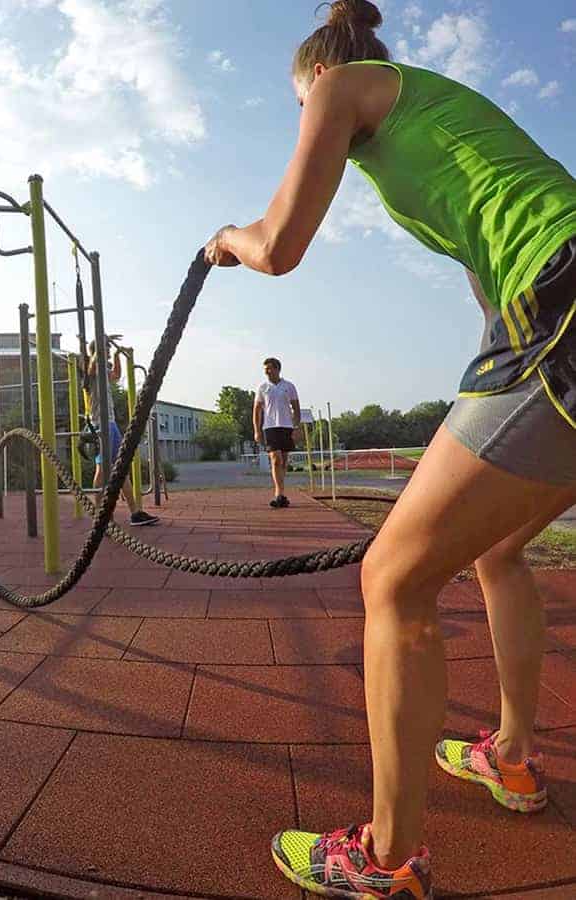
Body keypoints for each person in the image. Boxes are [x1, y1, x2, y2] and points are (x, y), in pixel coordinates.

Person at [203, 1, 576, 897]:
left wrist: (227, 240)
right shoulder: (439, 113)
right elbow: (492, 277)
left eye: (299, 108)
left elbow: (280, 244)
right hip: (546, 311)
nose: (306, 120)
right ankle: (513, 758)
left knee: (393, 581)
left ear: (312, 80)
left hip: (560, 307)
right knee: (496, 546)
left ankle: (386, 858)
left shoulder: (339, 87)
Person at [85, 338, 159, 526]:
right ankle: (100, 515)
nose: (108, 352)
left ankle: (135, 512)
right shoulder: (90, 371)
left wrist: (118, 355)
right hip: (99, 424)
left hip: (111, 424)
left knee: (121, 467)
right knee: (102, 470)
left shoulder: (104, 372)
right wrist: (101, 345)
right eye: (107, 350)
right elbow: (93, 363)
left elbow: (117, 375)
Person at [254, 357, 301, 508]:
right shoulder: (262, 388)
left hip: (286, 426)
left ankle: (281, 492)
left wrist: (296, 427)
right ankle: (278, 493)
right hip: (270, 427)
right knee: (275, 459)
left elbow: (296, 408)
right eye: (265, 369)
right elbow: (256, 410)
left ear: (277, 369)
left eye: (269, 368)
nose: (266, 371)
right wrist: (257, 430)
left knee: (284, 461)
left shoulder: (289, 386)